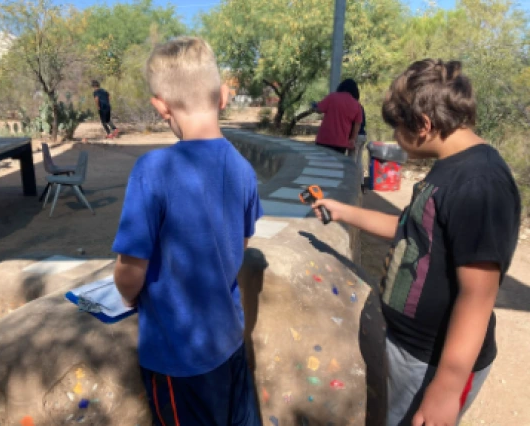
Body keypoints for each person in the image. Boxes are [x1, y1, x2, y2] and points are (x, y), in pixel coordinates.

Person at [312, 59, 520, 426]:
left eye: (398, 129)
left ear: (424, 125)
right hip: (408, 349)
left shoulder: (479, 185)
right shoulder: (449, 165)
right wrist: (342, 212)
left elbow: (478, 294)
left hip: (434, 360)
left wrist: (447, 387)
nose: (395, 139)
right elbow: (410, 228)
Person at [112, 37, 263, 426]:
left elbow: (130, 272)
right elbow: (240, 246)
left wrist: (129, 296)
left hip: (177, 358)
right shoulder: (245, 170)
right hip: (228, 340)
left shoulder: (152, 170)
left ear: (160, 106)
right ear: (224, 96)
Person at [311, 78, 363, 155]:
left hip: (324, 139)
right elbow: (357, 124)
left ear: (341, 87)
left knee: (321, 164)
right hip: (341, 143)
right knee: (336, 165)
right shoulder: (357, 105)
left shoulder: (332, 97)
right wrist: (352, 139)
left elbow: (319, 110)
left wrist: (314, 106)